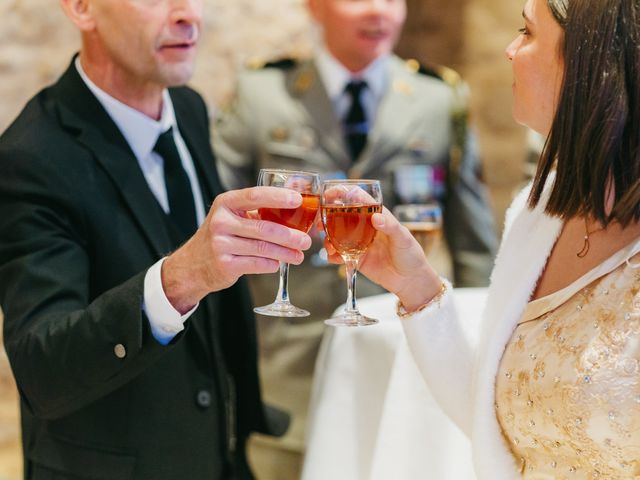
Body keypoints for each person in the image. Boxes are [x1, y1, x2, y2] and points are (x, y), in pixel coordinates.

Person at [0, 0, 316, 478]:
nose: (189, 13)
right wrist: (180, 279)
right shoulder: (30, 157)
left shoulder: (187, 108)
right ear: (82, 8)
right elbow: (42, 369)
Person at [326, 0, 640, 477]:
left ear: (588, 61)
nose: (511, 51)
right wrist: (418, 290)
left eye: (528, 33)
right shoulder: (541, 209)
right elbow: (496, 423)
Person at [211, 0, 497, 469]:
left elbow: (475, 249)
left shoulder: (437, 99)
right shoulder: (262, 94)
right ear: (314, 7)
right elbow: (217, 227)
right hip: (286, 380)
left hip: (402, 377)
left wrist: (473, 365)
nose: (378, 12)